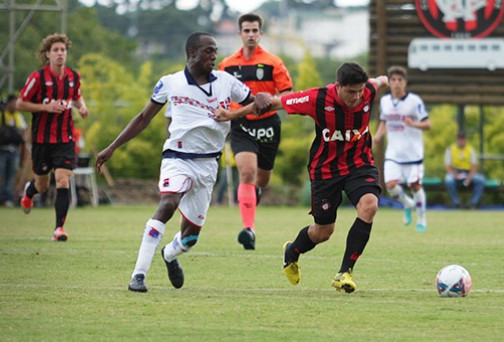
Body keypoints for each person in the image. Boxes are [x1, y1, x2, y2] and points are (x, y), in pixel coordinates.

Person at [96, 32, 255, 292]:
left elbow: (254, 105)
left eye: (215, 51)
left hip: (208, 165)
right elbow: (143, 118)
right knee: (168, 203)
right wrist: (113, 146)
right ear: (191, 53)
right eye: (208, 51)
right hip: (177, 157)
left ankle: (169, 255)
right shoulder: (170, 83)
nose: (214, 56)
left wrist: (251, 106)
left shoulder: (227, 81)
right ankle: (138, 275)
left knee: (190, 237)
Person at [216, 62, 389, 294]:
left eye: (359, 91)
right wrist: (231, 114)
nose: (356, 97)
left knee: (370, 205)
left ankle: (344, 273)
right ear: (338, 86)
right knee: (324, 232)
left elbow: (380, 81)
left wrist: (384, 79)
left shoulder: (368, 91)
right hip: (325, 171)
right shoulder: (317, 98)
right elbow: (273, 104)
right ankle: (292, 252)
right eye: (351, 92)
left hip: (360, 165)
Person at [218, 13, 294, 250]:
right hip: (241, 125)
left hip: (269, 126)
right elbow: (220, 96)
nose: (251, 35)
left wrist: (269, 100)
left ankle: (254, 193)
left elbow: (287, 95)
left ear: (260, 33)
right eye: (246, 31)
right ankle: (248, 230)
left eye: (254, 31)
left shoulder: (274, 62)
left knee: (262, 179)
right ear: (240, 33)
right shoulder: (227, 65)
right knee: (247, 173)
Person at [15, 33, 89, 242]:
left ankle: (59, 229)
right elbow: (20, 104)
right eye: (55, 50)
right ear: (47, 54)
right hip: (42, 140)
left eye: (63, 50)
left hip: (65, 138)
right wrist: (45, 107)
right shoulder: (38, 78)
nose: (60, 54)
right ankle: (30, 192)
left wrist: (82, 107)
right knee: (43, 186)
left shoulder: (73, 77)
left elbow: (76, 96)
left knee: (63, 179)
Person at [372, 66, 431, 231]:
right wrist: (376, 138)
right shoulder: (385, 101)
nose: (397, 83)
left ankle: (421, 219)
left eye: (400, 80)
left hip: (413, 154)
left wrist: (414, 124)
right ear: (389, 83)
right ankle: (408, 204)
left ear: (405, 83)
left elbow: (427, 124)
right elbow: (384, 122)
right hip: (394, 153)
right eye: (393, 80)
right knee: (390, 185)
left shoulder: (414, 101)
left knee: (415, 186)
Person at [0, 95, 27, 208]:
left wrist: (22, 140)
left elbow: (24, 129)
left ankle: (7, 198)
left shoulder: (18, 116)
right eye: (13, 103)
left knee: (11, 175)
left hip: (14, 150)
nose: (15, 106)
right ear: (8, 103)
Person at [443, 132, 485, 210]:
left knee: (481, 180)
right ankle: (456, 203)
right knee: (448, 180)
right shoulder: (450, 149)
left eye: (463, 139)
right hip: (455, 173)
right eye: (460, 139)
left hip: (468, 173)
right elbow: (448, 167)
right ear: (457, 140)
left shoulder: (470, 150)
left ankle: (472, 203)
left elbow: (474, 167)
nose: (461, 141)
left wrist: (469, 177)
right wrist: (455, 176)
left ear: (465, 140)